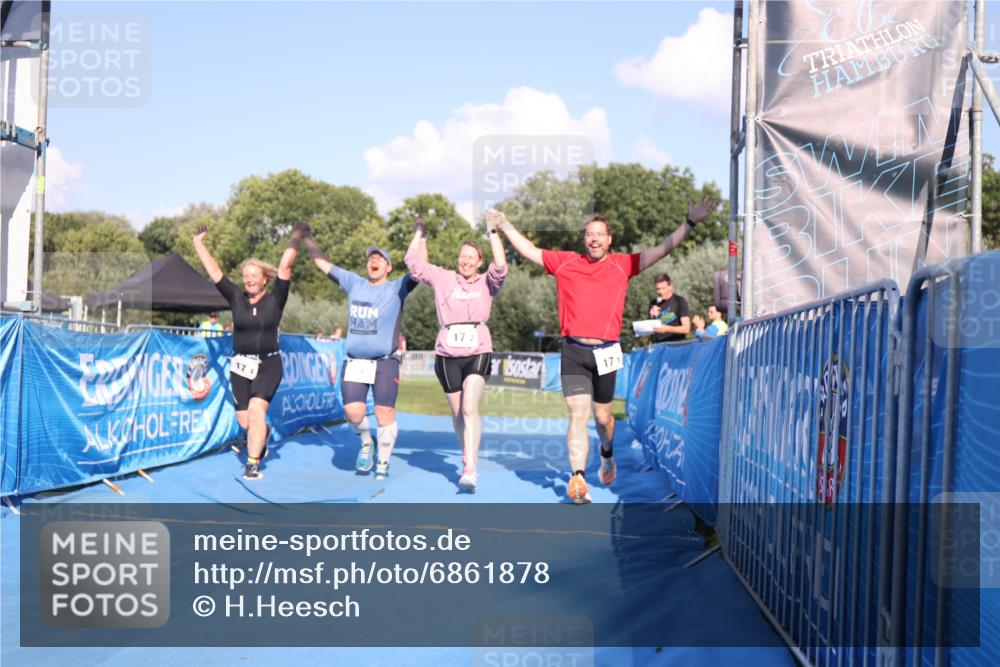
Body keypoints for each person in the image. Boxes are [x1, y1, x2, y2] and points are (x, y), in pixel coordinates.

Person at [495, 201, 714, 503]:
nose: (594, 239)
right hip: (574, 351)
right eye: (589, 234)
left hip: (606, 352)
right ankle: (578, 478)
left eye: (600, 234)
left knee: (603, 417)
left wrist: (690, 223)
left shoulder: (623, 265)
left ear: (609, 239)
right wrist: (505, 225)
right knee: (577, 413)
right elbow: (530, 251)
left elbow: (662, 249)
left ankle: (607, 453)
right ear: (584, 239)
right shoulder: (565, 262)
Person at [192, 221, 306, 480]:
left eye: (254, 276)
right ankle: (260, 435)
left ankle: (252, 464)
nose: (249, 280)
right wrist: (198, 243)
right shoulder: (236, 299)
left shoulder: (276, 298)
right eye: (246, 276)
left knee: (256, 411)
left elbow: (285, 265)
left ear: (265, 279)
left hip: (268, 364)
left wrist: (297, 237)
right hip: (241, 366)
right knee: (245, 421)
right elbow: (215, 272)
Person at [302, 231, 418, 481]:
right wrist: (307, 238)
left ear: (388, 267)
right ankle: (367, 441)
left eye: (380, 258)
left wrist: (420, 235)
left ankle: (383, 462)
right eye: (370, 258)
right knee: (353, 412)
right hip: (355, 361)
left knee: (384, 412)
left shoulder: (396, 288)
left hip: (385, 361)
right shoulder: (354, 283)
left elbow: (418, 268)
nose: (373, 260)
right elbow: (323, 263)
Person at [404, 214, 507, 492]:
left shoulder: (487, 282)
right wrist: (420, 232)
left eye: (471, 257)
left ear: (479, 262)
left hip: (478, 350)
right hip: (447, 353)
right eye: (462, 256)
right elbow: (413, 263)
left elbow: (501, 265)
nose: (465, 261)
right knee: (459, 413)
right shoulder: (444, 278)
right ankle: (467, 455)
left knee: (470, 408)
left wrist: (493, 231)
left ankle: (470, 469)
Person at [648, 273, 691, 343]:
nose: (660, 292)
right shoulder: (653, 304)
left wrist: (667, 329)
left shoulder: (679, 301)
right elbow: (650, 332)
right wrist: (652, 316)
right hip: (659, 346)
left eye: (663, 288)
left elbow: (686, 329)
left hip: (676, 345)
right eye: (658, 289)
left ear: (670, 286)